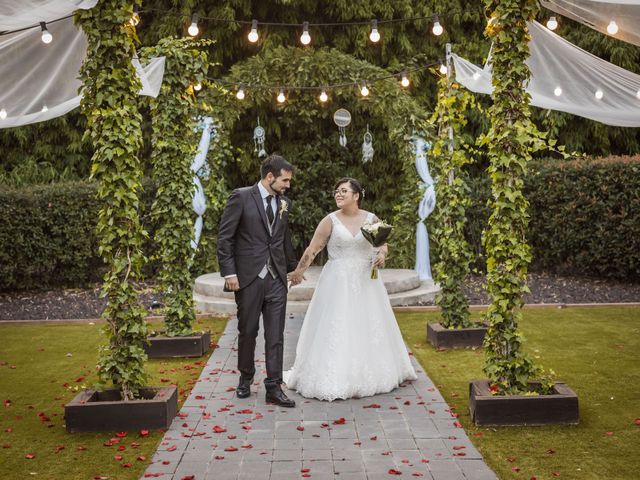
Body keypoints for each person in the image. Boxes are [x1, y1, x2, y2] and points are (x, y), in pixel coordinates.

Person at [284, 177, 417, 401]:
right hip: (337, 281)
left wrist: (382, 255)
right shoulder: (330, 221)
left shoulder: (371, 218)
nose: (338, 194)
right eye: (336, 191)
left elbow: (382, 244)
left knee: (368, 322)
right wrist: (298, 272)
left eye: (344, 191)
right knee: (338, 323)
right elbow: (313, 249)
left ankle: (374, 371)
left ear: (356, 195)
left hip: (366, 280)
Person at [217, 154, 300, 407]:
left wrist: (293, 268)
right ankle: (245, 378)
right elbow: (225, 237)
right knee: (248, 331)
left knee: (275, 335)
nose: (288, 185)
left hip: (276, 279)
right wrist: (229, 273)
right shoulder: (241, 197)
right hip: (248, 278)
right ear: (269, 176)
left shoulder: (284, 202)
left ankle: (273, 387)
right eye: (285, 180)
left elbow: (282, 239)